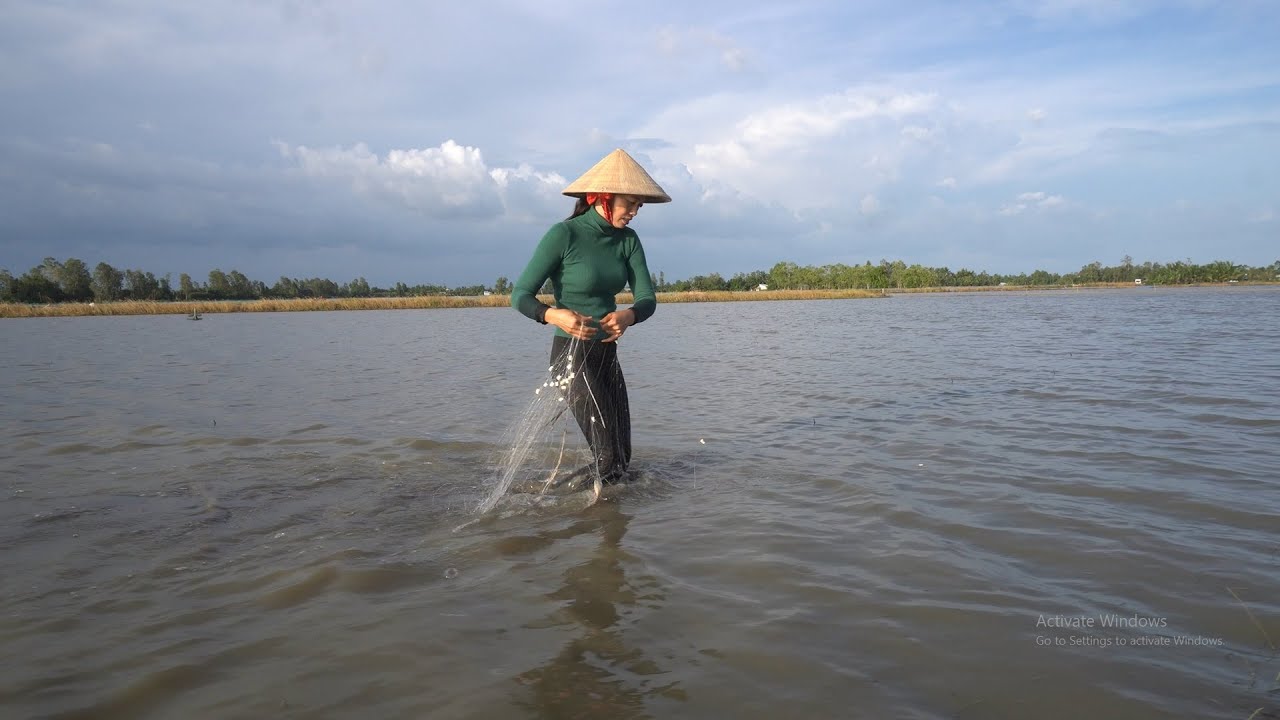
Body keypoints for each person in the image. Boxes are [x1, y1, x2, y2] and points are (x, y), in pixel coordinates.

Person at [511, 148, 670, 485]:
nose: (634, 212)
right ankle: (551, 503)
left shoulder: (628, 241)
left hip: (606, 358)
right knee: (607, 457)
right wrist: (553, 315)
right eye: (630, 203)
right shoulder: (564, 235)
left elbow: (647, 299)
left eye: (639, 206)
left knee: (622, 460)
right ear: (603, 197)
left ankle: (604, 526)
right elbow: (520, 296)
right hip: (570, 358)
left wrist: (629, 316)